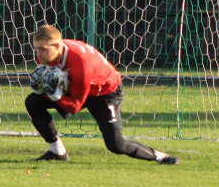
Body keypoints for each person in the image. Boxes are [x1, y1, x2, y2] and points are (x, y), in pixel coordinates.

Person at [25, 24, 179, 165]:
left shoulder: (81, 62)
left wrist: (53, 94)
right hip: (79, 86)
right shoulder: (49, 55)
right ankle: (58, 152)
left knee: (116, 145)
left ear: (58, 45)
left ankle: (159, 156)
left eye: (43, 49)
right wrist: (41, 90)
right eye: (36, 49)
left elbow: (74, 108)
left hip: (105, 92)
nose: (39, 54)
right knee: (33, 101)